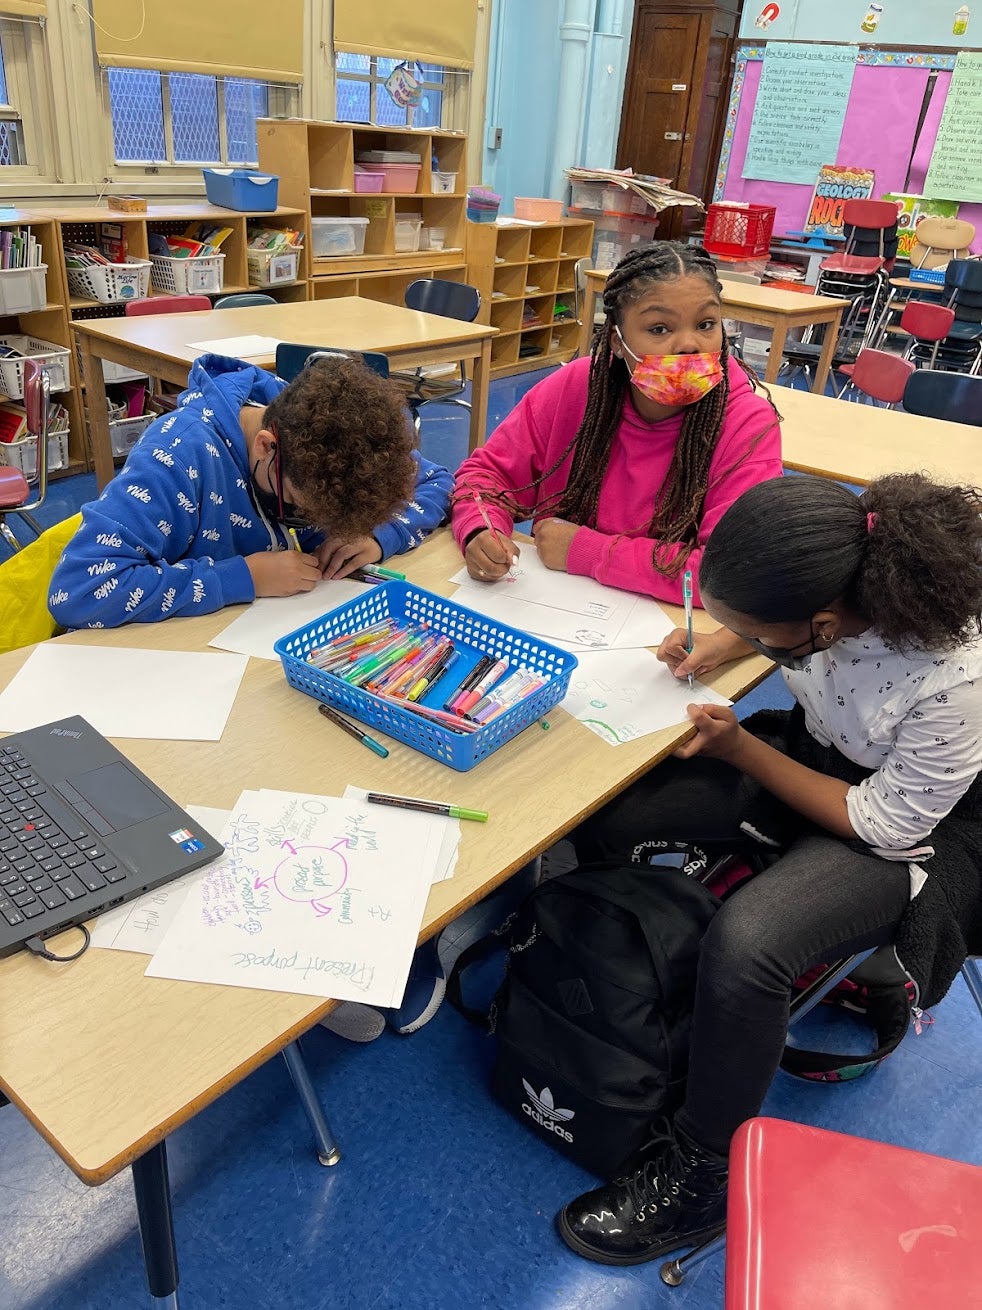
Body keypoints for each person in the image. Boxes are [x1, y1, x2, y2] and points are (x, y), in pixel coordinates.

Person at [559, 472, 982, 1266]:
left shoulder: (958, 679)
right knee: (622, 817)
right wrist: (720, 640)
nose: (743, 643)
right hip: (828, 756)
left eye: (756, 635)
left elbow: (885, 824)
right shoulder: (834, 586)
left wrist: (741, 746)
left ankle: (707, 1168)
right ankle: (684, 1012)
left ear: (822, 627)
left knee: (750, 943)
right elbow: (802, 670)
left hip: (927, 834)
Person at [450, 241, 783, 606]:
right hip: (558, 606)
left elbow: (729, 572)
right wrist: (481, 528)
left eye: (706, 324)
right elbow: (487, 477)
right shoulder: (577, 388)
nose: (689, 345)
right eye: (659, 329)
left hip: (669, 629)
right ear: (618, 342)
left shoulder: (745, 423)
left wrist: (587, 551)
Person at [48, 353, 452, 630]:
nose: (313, 525)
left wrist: (378, 536)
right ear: (265, 446)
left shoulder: (321, 428)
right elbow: (77, 593)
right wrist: (243, 577)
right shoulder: (176, 456)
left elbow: (437, 481)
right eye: (298, 507)